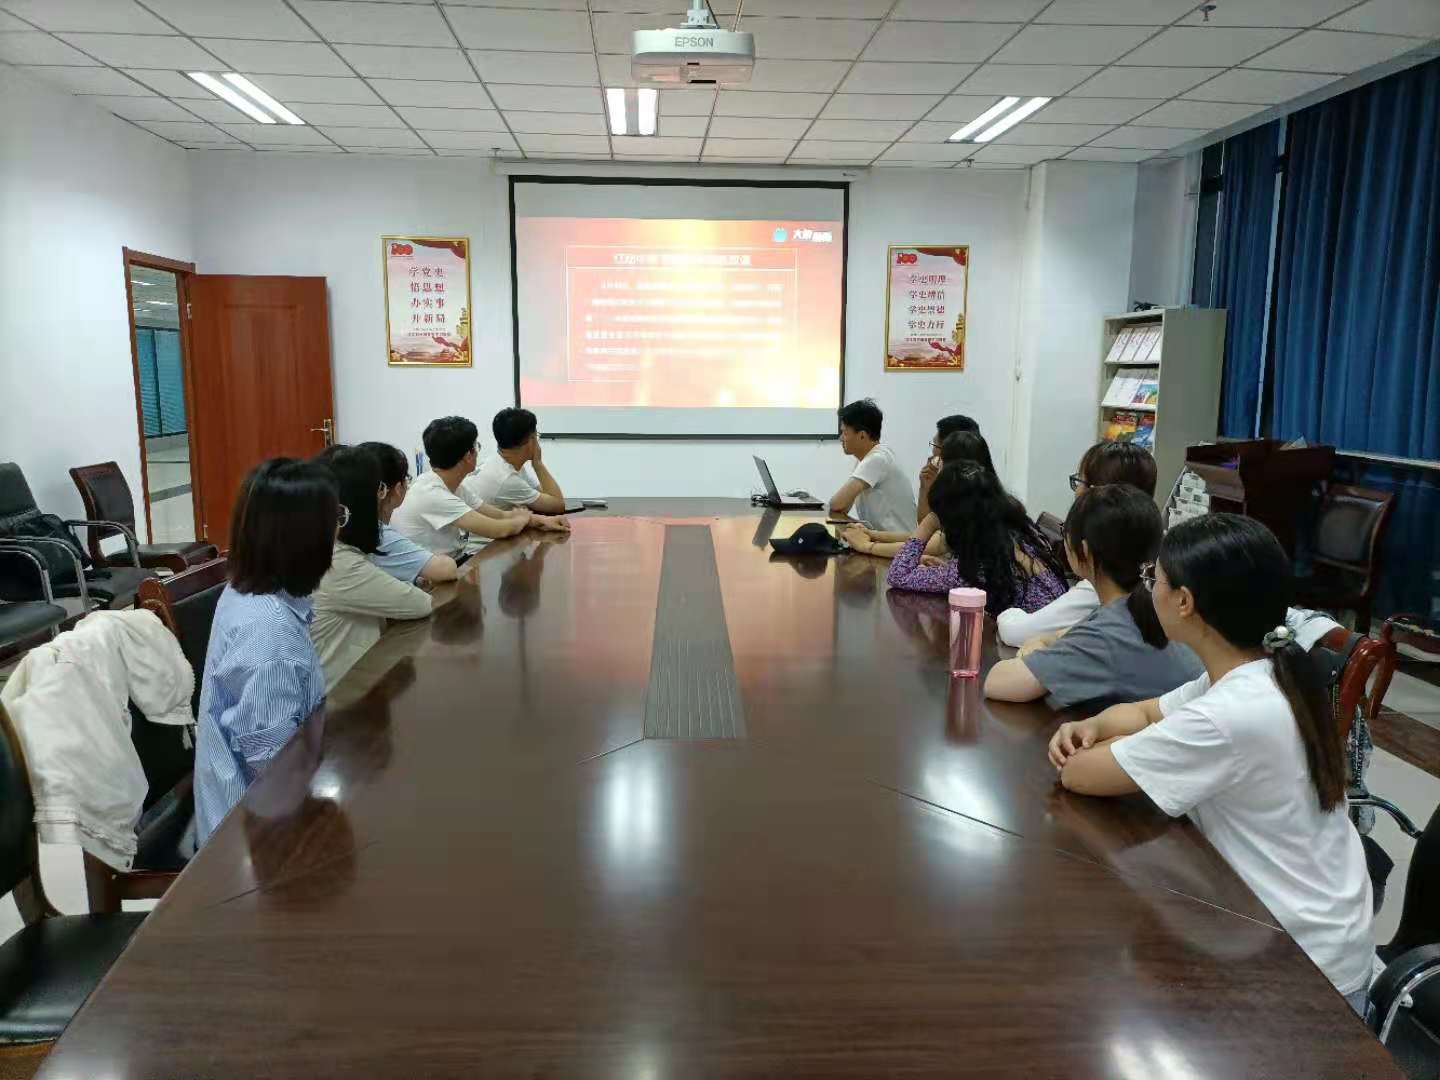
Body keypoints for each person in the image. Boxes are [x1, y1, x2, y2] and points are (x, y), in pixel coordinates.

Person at [1048, 514, 1373, 1011]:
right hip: (1300, 922)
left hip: (1304, 965)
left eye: (1154, 577)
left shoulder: (1231, 713)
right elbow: (1143, 712)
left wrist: (1087, 744)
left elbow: (1079, 774)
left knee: (1115, 986)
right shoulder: (1257, 669)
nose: (1148, 587)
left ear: (1184, 601)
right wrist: (1094, 724)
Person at [194, 458, 336, 846]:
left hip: (263, 809)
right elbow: (276, 771)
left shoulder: (248, 589)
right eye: (332, 522)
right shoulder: (269, 630)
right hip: (256, 837)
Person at [985, 483, 1202, 710]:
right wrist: (1043, 642)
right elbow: (1065, 635)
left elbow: (998, 683)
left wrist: (1039, 650)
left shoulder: (1110, 633)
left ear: (1085, 551)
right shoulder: (1156, 606)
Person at [996, 439, 1157, 647]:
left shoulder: (1102, 586)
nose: (1076, 492)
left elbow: (1016, 632)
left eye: (1079, 482)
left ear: (1098, 493)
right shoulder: (1152, 569)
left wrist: (1010, 613)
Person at [310, 446, 433, 692]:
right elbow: (421, 604)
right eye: (378, 490)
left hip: (352, 681)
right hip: (339, 699)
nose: (382, 496)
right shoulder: (339, 562)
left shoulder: (325, 547)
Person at [883, 462, 1068, 615]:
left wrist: (929, 522)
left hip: (1031, 643)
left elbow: (898, 575)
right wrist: (947, 568)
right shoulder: (1016, 537)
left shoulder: (976, 568)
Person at [391, 415, 568, 554]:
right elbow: (496, 529)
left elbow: (500, 515)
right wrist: (523, 518)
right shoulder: (433, 494)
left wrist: (544, 521)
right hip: (431, 580)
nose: (478, 451)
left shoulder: (454, 487)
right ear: (468, 456)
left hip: (453, 561)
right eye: (476, 446)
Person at [844, 430, 997, 559]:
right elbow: (920, 537)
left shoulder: (972, 503)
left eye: (939, 458)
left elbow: (929, 546)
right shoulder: (980, 492)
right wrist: (872, 534)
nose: (933, 461)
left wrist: (867, 546)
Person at [359, 440, 459, 587]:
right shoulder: (377, 533)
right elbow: (446, 570)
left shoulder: (347, 523)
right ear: (398, 488)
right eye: (406, 478)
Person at [828, 398, 916, 534]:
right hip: (881, 540)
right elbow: (842, 506)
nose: (840, 438)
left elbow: (836, 504)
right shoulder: (868, 458)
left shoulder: (877, 459)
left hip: (896, 545)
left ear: (862, 436)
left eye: (845, 433)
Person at [462, 407, 567, 513]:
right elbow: (558, 505)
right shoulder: (506, 478)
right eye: (536, 436)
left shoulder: (502, 463)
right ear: (531, 441)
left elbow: (544, 494)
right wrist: (538, 464)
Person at [918, 413, 980, 521]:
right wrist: (926, 489)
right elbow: (923, 526)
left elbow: (927, 529)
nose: (932, 454)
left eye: (935, 446)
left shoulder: (969, 496)